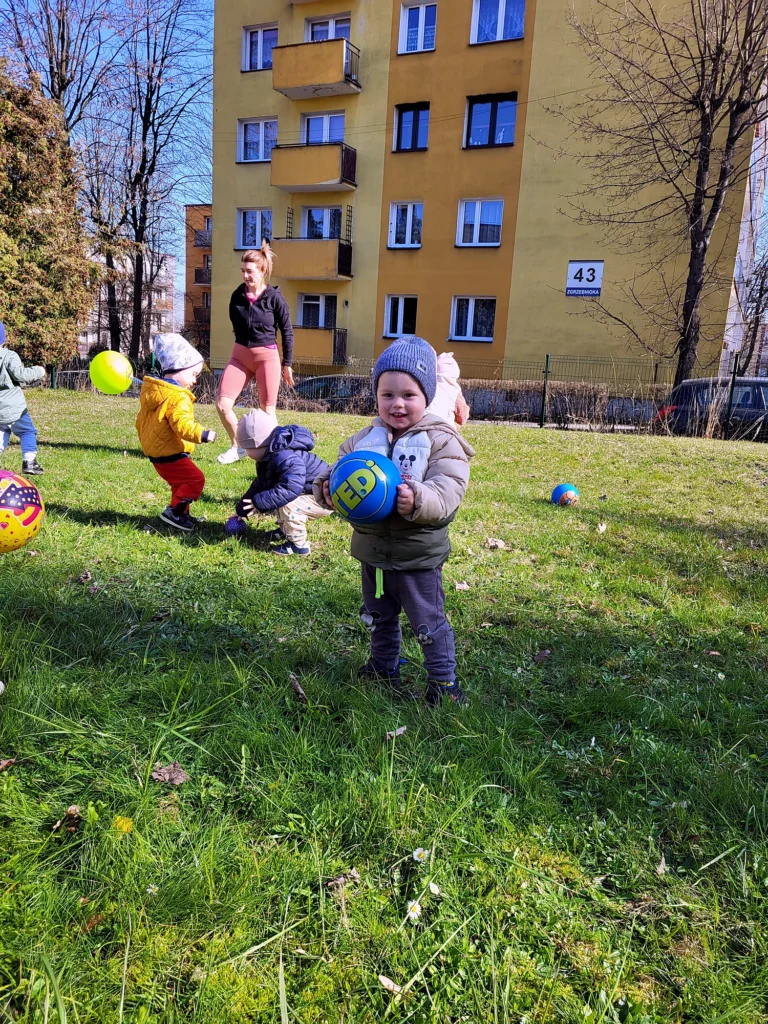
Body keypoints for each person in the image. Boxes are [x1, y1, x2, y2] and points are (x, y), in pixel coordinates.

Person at [315, 336, 474, 706]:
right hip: (373, 552)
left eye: (408, 395)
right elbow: (338, 473)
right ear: (376, 395)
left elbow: (449, 490)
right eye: (387, 394)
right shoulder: (362, 441)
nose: (397, 404)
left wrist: (417, 498)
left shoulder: (440, 440)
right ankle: (383, 666)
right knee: (378, 615)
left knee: (428, 623)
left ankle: (444, 684)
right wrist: (326, 488)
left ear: (427, 396)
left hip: (417, 556)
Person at [216, 241, 295, 465]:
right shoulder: (237, 296)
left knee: (267, 412)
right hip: (240, 355)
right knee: (222, 404)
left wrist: (287, 364)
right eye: (242, 271)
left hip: (267, 358)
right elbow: (235, 324)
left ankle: (274, 458)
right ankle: (238, 447)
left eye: (249, 271)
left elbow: (287, 331)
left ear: (262, 270)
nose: (245, 276)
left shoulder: (274, 298)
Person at [136, 334, 216, 532]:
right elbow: (183, 425)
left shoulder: (155, 391)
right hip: (170, 453)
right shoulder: (177, 397)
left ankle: (181, 515)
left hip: (157, 453)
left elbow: (140, 422)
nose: (195, 380)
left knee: (179, 484)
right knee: (195, 479)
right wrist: (202, 434)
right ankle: (175, 512)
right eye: (193, 374)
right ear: (179, 368)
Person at [234, 409, 332, 556]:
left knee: (287, 503)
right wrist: (241, 510)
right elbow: (260, 484)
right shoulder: (269, 456)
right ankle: (285, 530)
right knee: (277, 495)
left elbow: (290, 488)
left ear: (257, 444)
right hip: (309, 491)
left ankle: (299, 545)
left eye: (246, 448)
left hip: (326, 497)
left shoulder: (285, 457)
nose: (245, 453)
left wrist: (260, 502)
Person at [0, 321, 46, 476]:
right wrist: (39, 371)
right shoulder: (9, 356)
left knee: (1, 433)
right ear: (4, 338)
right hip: (14, 409)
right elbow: (20, 375)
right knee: (27, 431)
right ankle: (29, 462)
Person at [427, 351, 471, 427]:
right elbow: (462, 415)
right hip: (443, 427)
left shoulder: (427, 385)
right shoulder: (453, 389)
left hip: (421, 423)